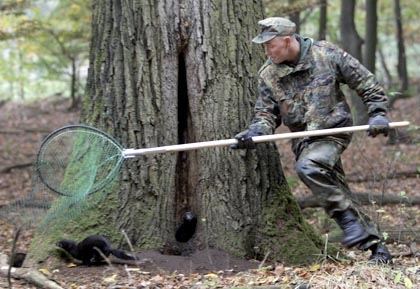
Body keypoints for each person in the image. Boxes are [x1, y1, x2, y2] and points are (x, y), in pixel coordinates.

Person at [231, 17, 392, 264]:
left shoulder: (325, 54)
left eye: (270, 45)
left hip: (332, 131)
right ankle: (377, 249)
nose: (266, 51)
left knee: (309, 167)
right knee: (336, 189)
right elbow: (266, 115)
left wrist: (378, 114)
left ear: (287, 41)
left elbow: (366, 82)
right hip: (302, 140)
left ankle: (349, 224)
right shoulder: (269, 74)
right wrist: (254, 133)